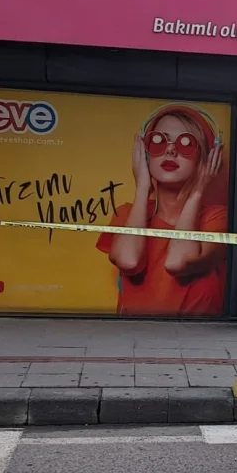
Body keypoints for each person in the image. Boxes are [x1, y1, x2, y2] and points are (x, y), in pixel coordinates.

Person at [98, 104, 228, 316]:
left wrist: (197, 192)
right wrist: (142, 188)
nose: (170, 150)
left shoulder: (217, 219)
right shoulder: (127, 214)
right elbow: (129, 262)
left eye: (186, 143)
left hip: (199, 344)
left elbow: (178, 262)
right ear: (144, 154)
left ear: (206, 158)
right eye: (158, 141)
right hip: (136, 342)